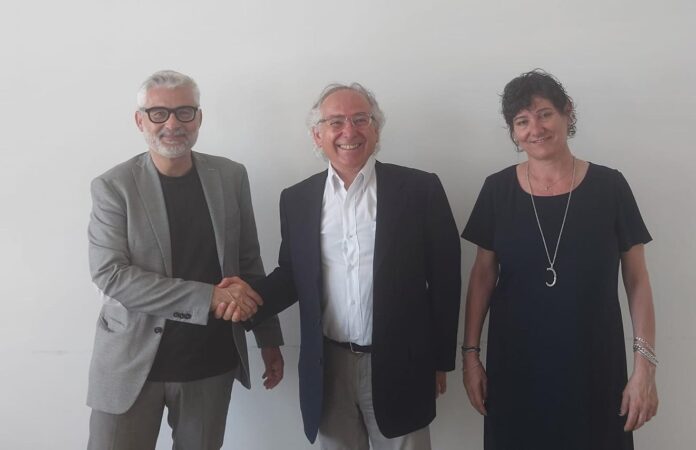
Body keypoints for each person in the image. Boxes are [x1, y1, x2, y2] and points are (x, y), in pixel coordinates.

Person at [220, 83, 461, 449]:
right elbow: (293, 275)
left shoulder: (419, 189)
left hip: (402, 363)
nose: (349, 131)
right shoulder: (297, 198)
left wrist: (441, 360)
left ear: (376, 129)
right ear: (317, 135)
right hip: (326, 366)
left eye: (360, 119)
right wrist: (244, 301)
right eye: (335, 122)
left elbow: (445, 280)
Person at [86, 70, 284, 450]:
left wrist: (268, 338)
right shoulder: (113, 186)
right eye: (159, 113)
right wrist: (208, 297)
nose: (173, 123)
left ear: (199, 117)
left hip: (210, 360)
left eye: (184, 112)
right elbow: (111, 275)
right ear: (140, 120)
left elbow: (248, 262)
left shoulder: (230, 176)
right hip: (130, 361)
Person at [460, 69, 658, 449]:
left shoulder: (610, 187)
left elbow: (637, 280)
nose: (535, 128)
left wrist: (644, 368)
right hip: (515, 367)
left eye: (544, 114)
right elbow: (482, 276)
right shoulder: (496, 190)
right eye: (522, 121)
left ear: (567, 112)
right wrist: (471, 357)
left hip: (595, 367)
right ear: (513, 131)